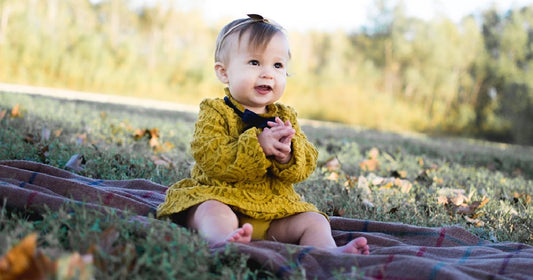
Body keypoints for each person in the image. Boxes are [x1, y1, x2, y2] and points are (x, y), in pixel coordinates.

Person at [157, 14, 369, 255]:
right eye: (255, 63)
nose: (268, 73)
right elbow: (210, 155)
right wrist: (257, 145)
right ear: (224, 73)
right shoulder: (215, 111)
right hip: (222, 197)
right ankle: (223, 241)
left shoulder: (285, 117)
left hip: (273, 212)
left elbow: (306, 164)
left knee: (315, 220)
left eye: (277, 65)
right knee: (209, 211)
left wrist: (288, 155)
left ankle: (329, 253)